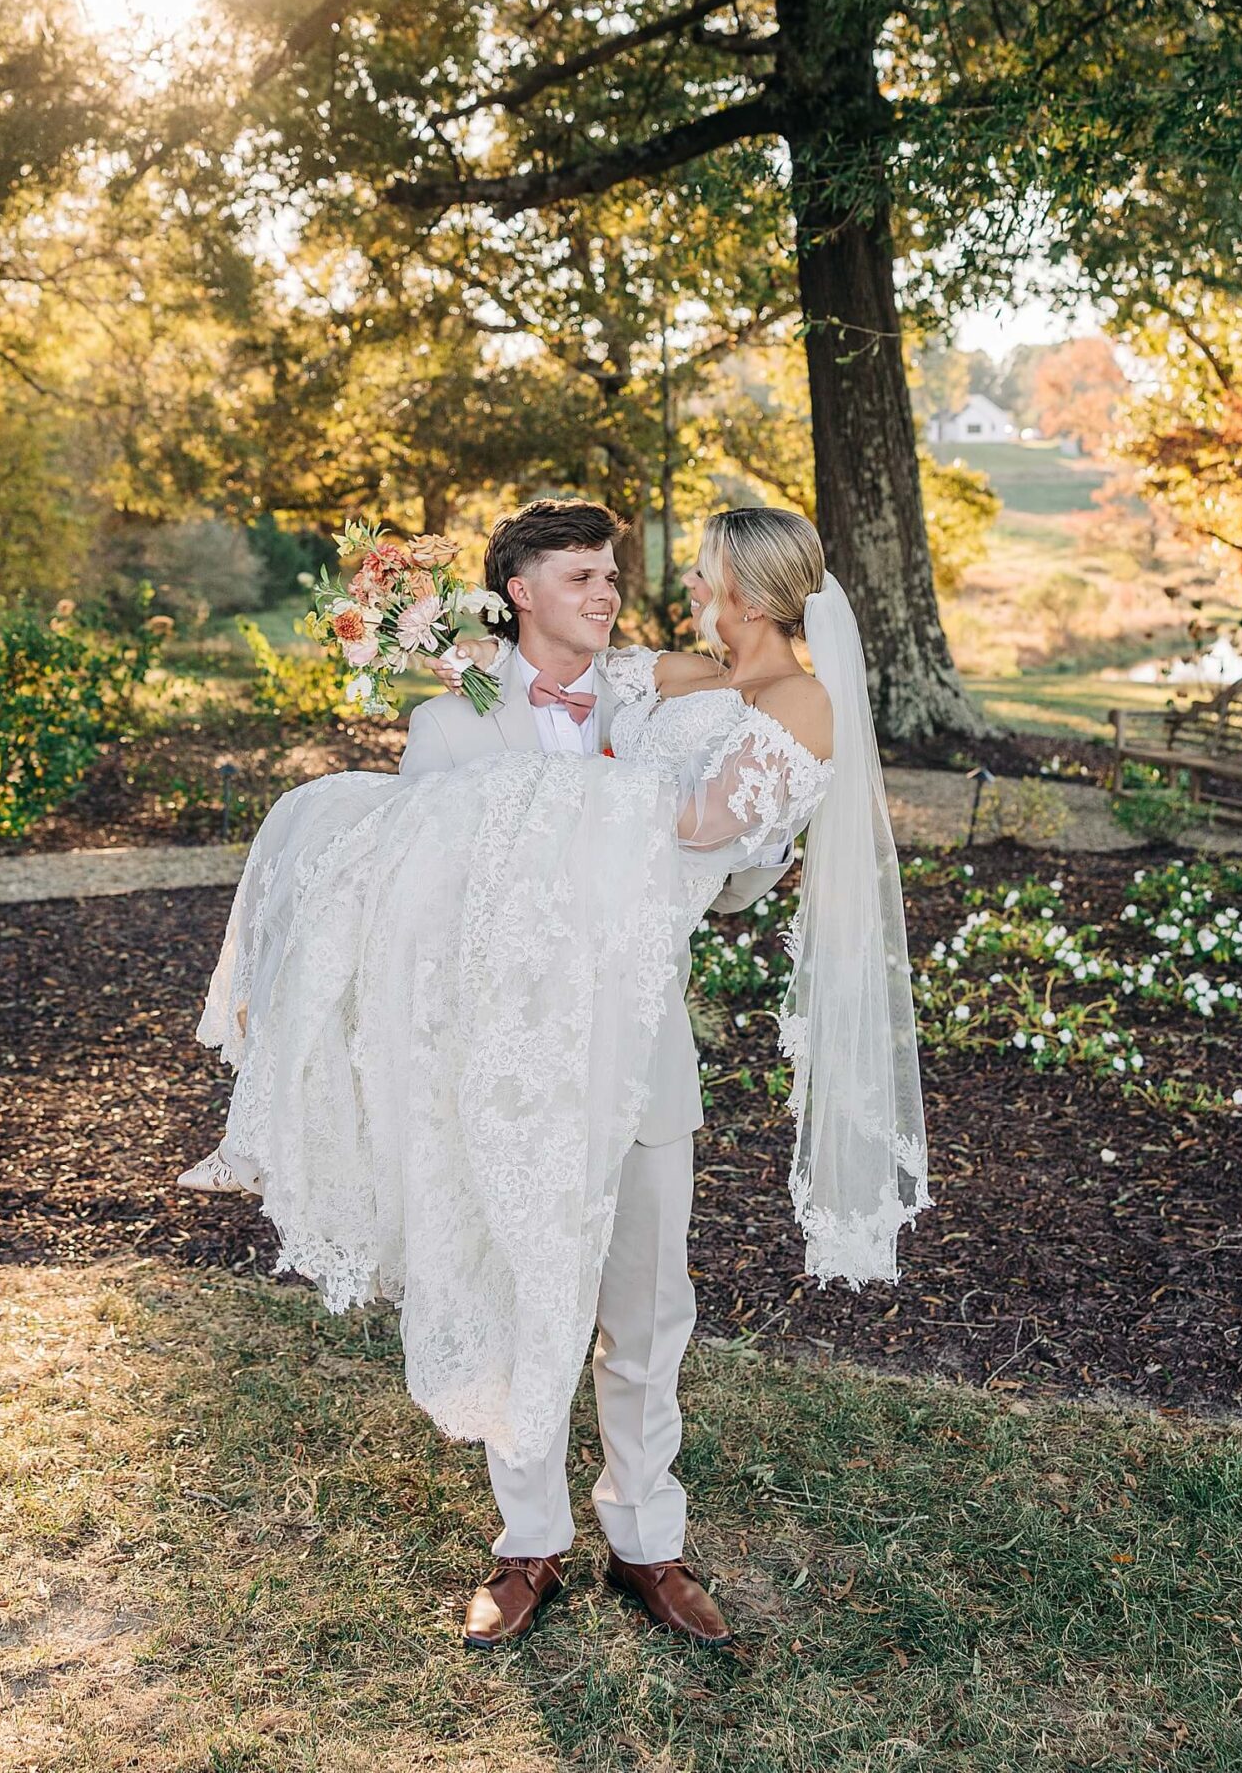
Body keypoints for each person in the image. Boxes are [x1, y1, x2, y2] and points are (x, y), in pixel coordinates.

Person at [182, 501, 927, 1655]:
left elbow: (717, 866)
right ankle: (524, 1541)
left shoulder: (662, 696)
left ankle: (647, 1541)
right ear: (516, 591)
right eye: (582, 574)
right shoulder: (452, 728)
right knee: (511, 1287)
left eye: (619, 574)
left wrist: (758, 851)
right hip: (504, 1069)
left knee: (647, 1313)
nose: (614, 592)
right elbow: (419, 898)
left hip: (638, 1058)